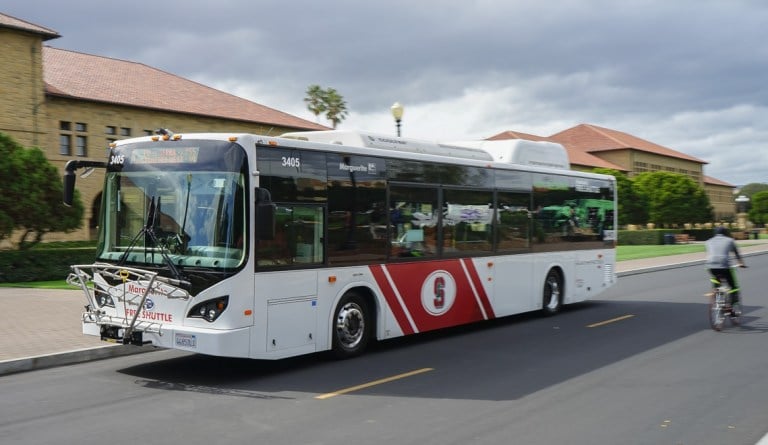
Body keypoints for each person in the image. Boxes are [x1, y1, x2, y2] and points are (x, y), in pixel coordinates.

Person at [705, 226, 745, 313]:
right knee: (733, 287)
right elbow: (736, 253)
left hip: (711, 266)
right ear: (726, 233)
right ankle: (731, 307)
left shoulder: (708, 241)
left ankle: (716, 295)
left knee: (716, 280)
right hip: (724, 266)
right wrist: (741, 263)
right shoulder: (730, 240)